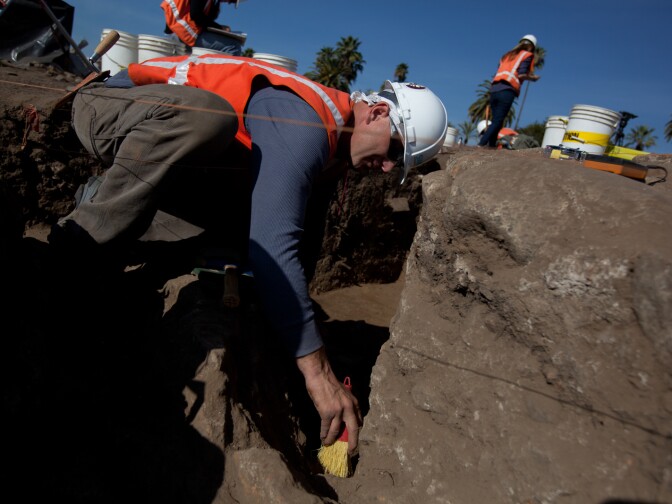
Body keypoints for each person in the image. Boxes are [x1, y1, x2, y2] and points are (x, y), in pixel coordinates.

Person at [49, 53, 449, 458]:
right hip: (108, 109)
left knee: (230, 246)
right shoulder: (307, 124)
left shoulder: (334, 155)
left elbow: (298, 247)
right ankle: (84, 239)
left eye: (398, 167)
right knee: (207, 117)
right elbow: (274, 246)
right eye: (396, 152)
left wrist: (290, 351)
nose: (386, 171)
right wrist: (318, 374)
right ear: (378, 112)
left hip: (174, 156)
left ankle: (140, 234)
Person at [478, 34, 540, 148]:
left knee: (496, 121)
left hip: (494, 89)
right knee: (498, 121)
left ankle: (491, 146)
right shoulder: (527, 55)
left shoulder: (507, 55)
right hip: (507, 90)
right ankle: (481, 144)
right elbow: (521, 74)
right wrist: (532, 78)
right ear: (531, 47)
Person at [161, 0, 246, 56]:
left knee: (231, 42)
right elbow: (196, 15)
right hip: (180, 33)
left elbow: (204, 22)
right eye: (232, 1)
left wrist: (219, 28)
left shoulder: (212, 3)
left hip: (182, 32)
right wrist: (220, 28)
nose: (229, 3)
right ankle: (221, 81)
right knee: (233, 46)